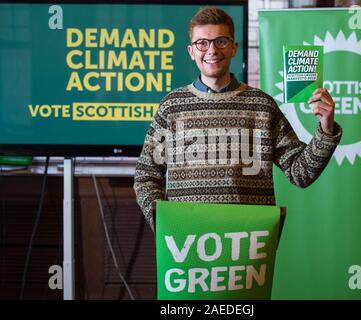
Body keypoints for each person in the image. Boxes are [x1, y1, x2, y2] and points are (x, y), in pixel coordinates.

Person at [134, 7, 342, 232]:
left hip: (248, 240)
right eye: (202, 43)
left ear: (234, 48)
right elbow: (146, 176)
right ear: (191, 51)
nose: (212, 50)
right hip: (185, 241)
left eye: (221, 41)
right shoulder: (171, 107)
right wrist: (165, 225)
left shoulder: (262, 106)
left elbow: (300, 172)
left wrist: (326, 130)